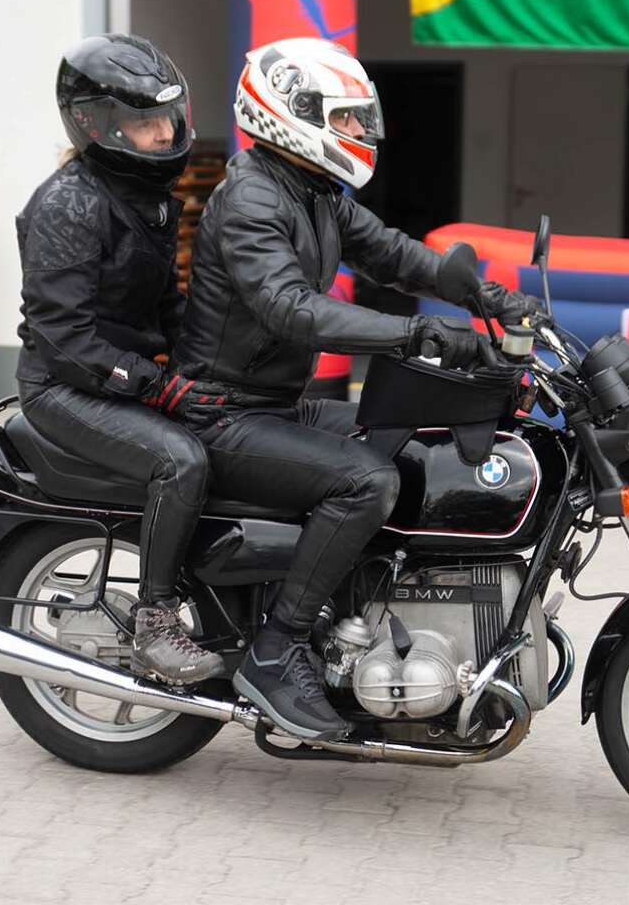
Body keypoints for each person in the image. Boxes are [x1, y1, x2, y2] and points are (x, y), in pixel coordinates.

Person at [165, 37, 540, 740]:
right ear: (290, 114)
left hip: (268, 401)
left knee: (407, 448)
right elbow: (291, 308)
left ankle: (360, 619)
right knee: (365, 481)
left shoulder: (312, 189)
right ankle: (278, 649)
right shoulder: (251, 198)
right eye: (342, 119)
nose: (358, 133)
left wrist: (488, 295)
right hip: (222, 411)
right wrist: (416, 335)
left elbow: (392, 252)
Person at [14, 34, 223, 685]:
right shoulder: (69, 206)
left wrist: (221, 364)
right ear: (95, 125)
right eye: (144, 123)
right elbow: (65, 337)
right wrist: (158, 387)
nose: (164, 133)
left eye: (167, 118)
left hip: (116, 379)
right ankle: (154, 624)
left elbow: (166, 308)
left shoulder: (148, 199)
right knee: (178, 461)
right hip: (64, 387)